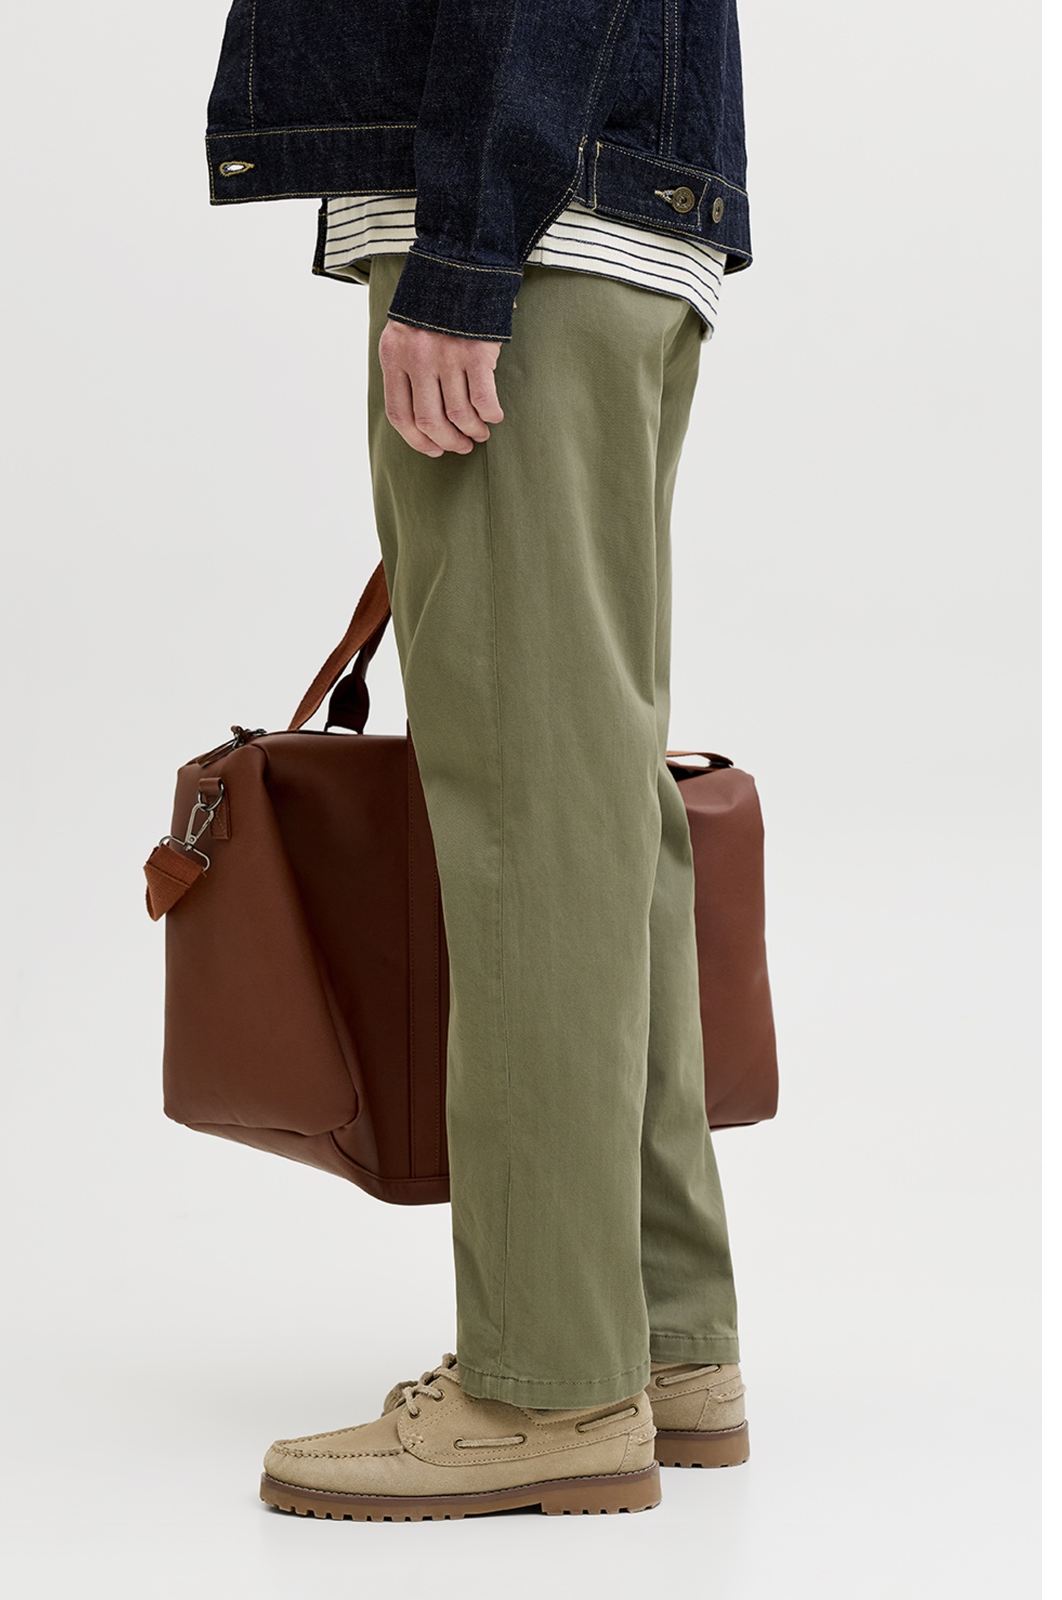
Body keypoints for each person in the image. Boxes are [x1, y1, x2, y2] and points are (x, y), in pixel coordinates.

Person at [206, 0, 753, 1521]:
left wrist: (463, 255)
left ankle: (544, 1386)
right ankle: (660, 1337)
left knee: (531, 818)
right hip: (590, 216)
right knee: (593, 804)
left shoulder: (494, 241)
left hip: (527, 228)